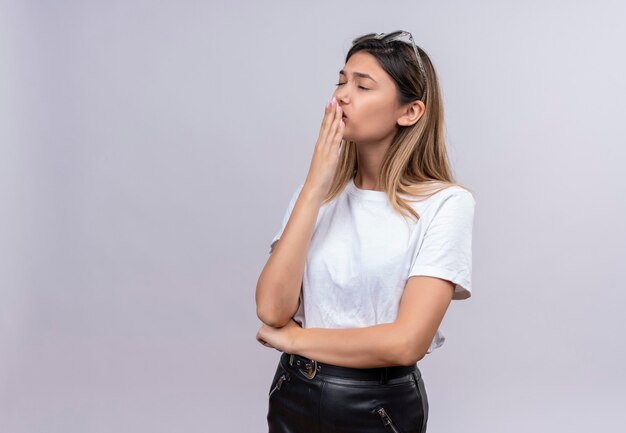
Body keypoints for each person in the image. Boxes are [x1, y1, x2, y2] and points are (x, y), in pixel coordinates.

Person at [255, 30, 476, 433]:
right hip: (292, 392)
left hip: (378, 405)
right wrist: (313, 187)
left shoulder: (446, 204)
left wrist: (295, 340)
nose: (341, 95)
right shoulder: (317, 195)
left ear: (409, 112)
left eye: (362, 85)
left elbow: (407, 342)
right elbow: (272, 310)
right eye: (341, 80)